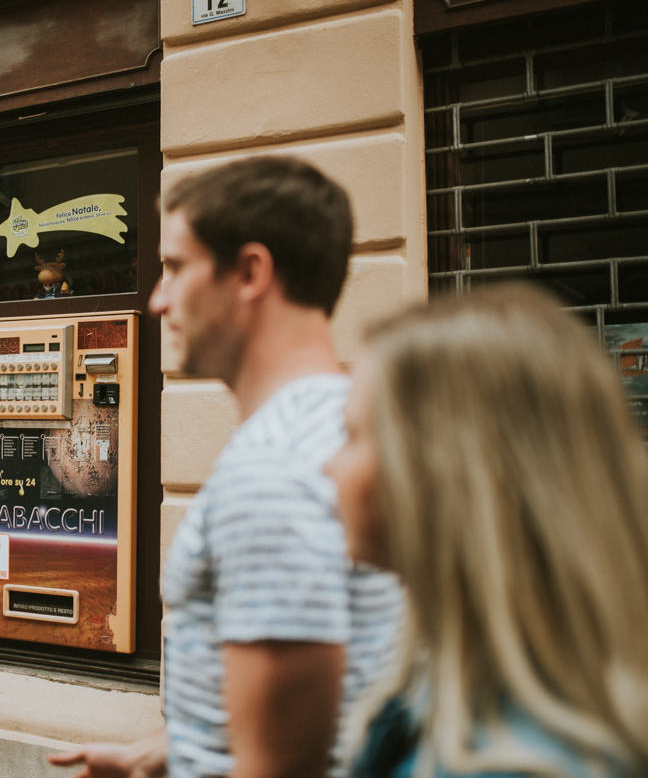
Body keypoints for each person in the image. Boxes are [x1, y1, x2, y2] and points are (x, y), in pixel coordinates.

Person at [51, 156, 403, 778]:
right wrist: (167, 752)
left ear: (249, 273)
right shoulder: (343, 427)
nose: (158, 300)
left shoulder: (271, 471)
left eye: (176, 268)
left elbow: (282, 766)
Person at [325, 283, 648, 778]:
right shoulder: (453, 699)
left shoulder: (520, 762)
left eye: (351, 435)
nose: (329, 466)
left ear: (444, 471)